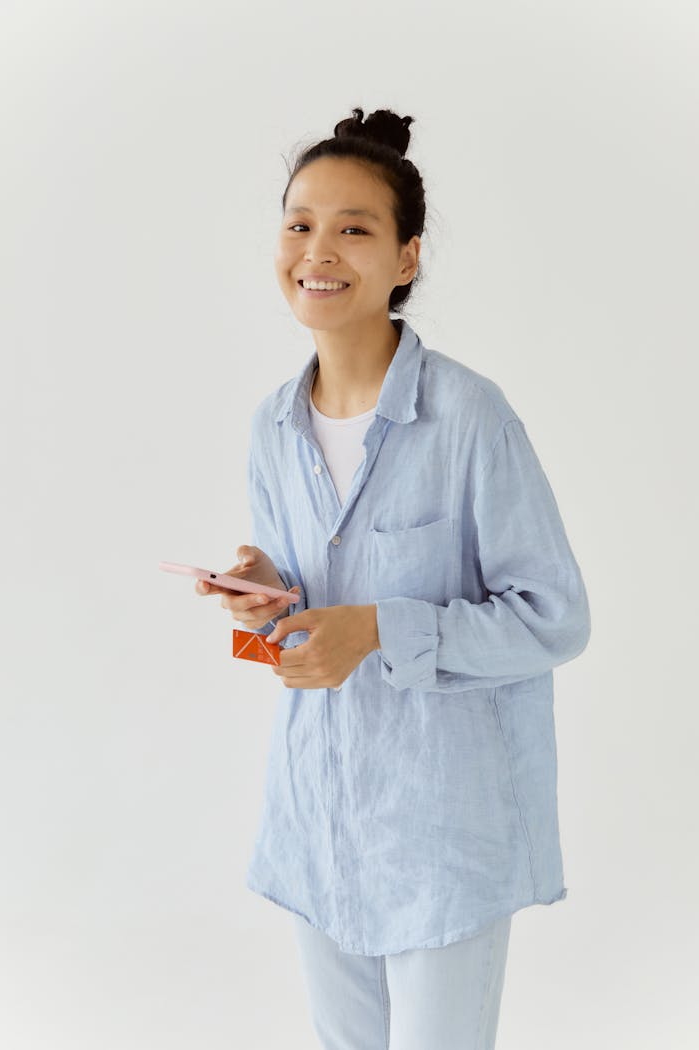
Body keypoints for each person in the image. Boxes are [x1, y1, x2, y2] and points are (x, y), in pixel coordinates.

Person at [196, 107, 591, 1050]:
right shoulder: (270, 426)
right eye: (298, 222)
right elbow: (300, 625)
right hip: (318, 822)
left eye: (354, 228)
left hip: (441, 833)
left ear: (405, 259)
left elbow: (554, 619)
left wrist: (375, 629)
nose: (317, 249)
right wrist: (262, 592)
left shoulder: (468, 417)